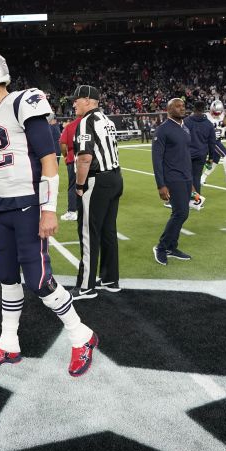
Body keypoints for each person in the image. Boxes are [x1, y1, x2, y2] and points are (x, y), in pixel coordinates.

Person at [0, 51, 100, 378]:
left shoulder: (25, 101)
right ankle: (8, 343)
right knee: (6, 276)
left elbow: (48, 160)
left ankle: (81, 335)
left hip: (27, 205)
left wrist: (48, 210)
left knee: (38, 280)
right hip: (0, 207)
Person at [70, 85, 123, 299]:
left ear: (89, 100)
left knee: (89, 232)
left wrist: (80, 185)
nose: (74, 104)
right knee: (108, 230)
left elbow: (85, 157)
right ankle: (110, 279)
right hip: (115, 177)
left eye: (77, 100)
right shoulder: (107, 121)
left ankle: (86, 286)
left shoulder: (86, 122)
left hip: (97, 180)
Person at [151, 98, 195, 266]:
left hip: (185, 177)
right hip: (172, 178)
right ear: (168, 110)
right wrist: (161, 185)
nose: (182, 108)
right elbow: (156, 159)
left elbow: (185, 156)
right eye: (177, 106)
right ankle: (161, 247)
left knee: (182, 213)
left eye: (183, 105)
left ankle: (172, 247)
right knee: (180, 213)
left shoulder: (185, 128)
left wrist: (190, 180)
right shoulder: (163, 130)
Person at [201, 100, 226, 186]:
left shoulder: (222, 115)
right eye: (215, 113)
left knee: (215, 161)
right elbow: (201, 129)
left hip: (217, 139)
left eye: (218, 113)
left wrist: (224, 129)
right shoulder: (206, 116)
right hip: (210, 141)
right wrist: (212, 131)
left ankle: (202, 178)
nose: (217, 115)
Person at [58, 113, 81, 221]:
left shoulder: (70, 126)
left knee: (73, 186)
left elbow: (62, 144)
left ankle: (72, 211)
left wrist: (66, 156)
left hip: (73, 157)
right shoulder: (92, 123)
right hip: (91, 158)